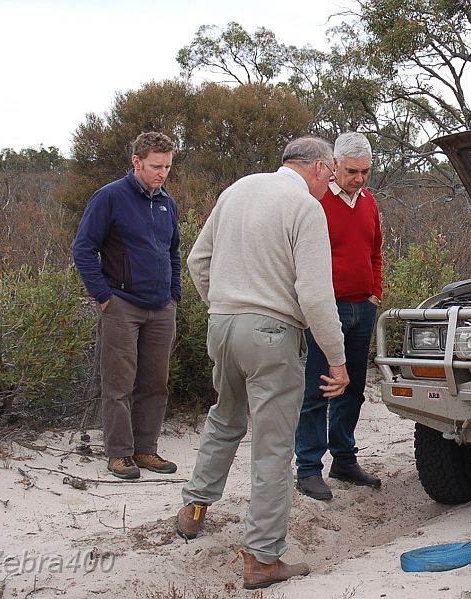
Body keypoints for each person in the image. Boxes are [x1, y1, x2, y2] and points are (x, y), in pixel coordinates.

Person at [175, 137, 349, 590]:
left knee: (225, 417)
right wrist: (339, 359)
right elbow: (314, 295)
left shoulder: (238, 189)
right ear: (317, 167)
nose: (330, 183)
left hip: (222, 324)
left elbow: (197, 259)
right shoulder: (305, 208)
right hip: (271, 334)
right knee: (273, 446)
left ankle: (193, 510)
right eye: (330, 173)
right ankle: (263, 558)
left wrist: (224, 305)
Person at [72, 131, 181, 480]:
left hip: (161, 307)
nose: (161, 173)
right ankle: (119, 454)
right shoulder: (109, 198)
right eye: (154, 166)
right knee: (119, 384)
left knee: (156, 382)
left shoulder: (167, 202)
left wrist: (174, 294)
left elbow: (173, 251)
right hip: (122, 304)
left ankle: (145, 450)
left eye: (166, 166)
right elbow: (84, 249)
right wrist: (104, 297)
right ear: (136, 162)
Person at [294, 132, 384, 501]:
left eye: (365, 171)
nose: (359, 178)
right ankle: (308, 467)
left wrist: (376, 292)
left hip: (363, 307)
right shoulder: (315, 202)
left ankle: (344, 458)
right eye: (351, 171)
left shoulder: (369, 202)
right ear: (334, 166)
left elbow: (376, 251)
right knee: (319, 389)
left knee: (354, 389)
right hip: (325, 309)